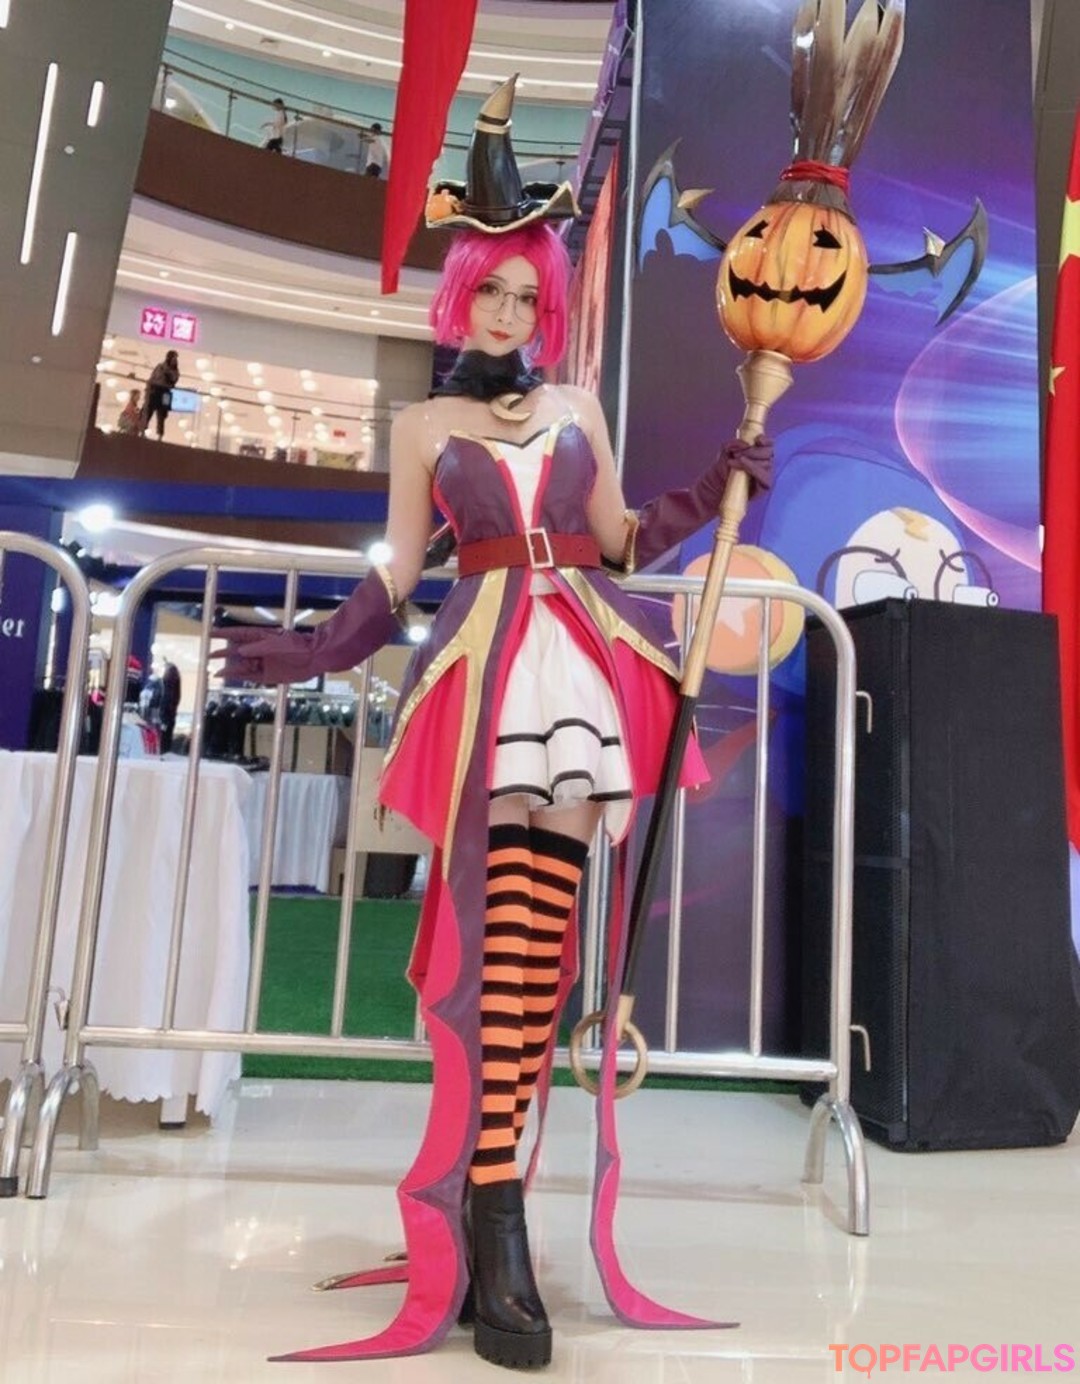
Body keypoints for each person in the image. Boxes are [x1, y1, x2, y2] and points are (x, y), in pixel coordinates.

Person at [215, 76, 771, 1371]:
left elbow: (621, 536)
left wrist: (718, 484)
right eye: (495, 292)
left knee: (540, 953)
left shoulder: (578, 411)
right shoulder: (422, 425)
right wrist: (316, 647)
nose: (513, 313)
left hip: (575, 670)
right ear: (461, 294)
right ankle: (493, 1202)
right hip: (485, 677)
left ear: (547, 306)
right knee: (490, 958)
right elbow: (399, 573)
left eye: (531, 295)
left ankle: (499, 1196)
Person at [141, 351, 179, 440]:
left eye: (175, 358)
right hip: (156, 391)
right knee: (149, 411)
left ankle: (160, 434)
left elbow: (174, 381)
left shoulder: (175, 371)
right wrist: (148, 390)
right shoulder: (160, 367)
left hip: (165, 392)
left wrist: (169, 374)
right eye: (173, 358)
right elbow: (152, 378)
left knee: (162, 415)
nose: (175, 360)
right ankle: (143, 430)